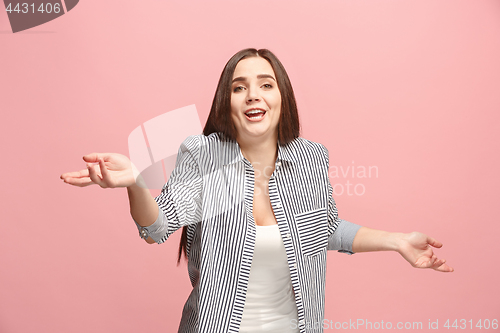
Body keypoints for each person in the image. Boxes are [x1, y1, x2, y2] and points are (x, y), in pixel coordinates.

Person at [60, 48, 453, 333]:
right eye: (239, 87)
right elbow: (158, 227)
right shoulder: (203, 155)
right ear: (226, 103)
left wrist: (398, 241)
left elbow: (324, 230)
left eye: (266, 84)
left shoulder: (311, 158)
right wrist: (135, 183)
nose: (253, 95)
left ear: (281, 97)